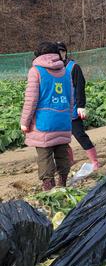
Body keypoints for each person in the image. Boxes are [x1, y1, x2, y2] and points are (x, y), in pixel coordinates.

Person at [20, 42, 74, 190]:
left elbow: (31, 100)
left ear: (37, 55)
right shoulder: (66, 71)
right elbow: (71, 98)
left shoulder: (36, 71)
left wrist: (24, 122)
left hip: (44, 122)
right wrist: (68, 118)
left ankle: (49, 187)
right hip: (63, 120)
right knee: (62, 153)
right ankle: (63, 183)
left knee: (45, 156)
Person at [56, 42, 99, 170]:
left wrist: (81, 106)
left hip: (73, 109)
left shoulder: (73, 67)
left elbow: (80, 87)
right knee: (61, 138)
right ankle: (70, 160)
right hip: (59, 110)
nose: (59, 54)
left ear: (65, 52)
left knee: (79, 134)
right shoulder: (52, 69)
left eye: (62, 51)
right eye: (57, 51)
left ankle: (95, 161)